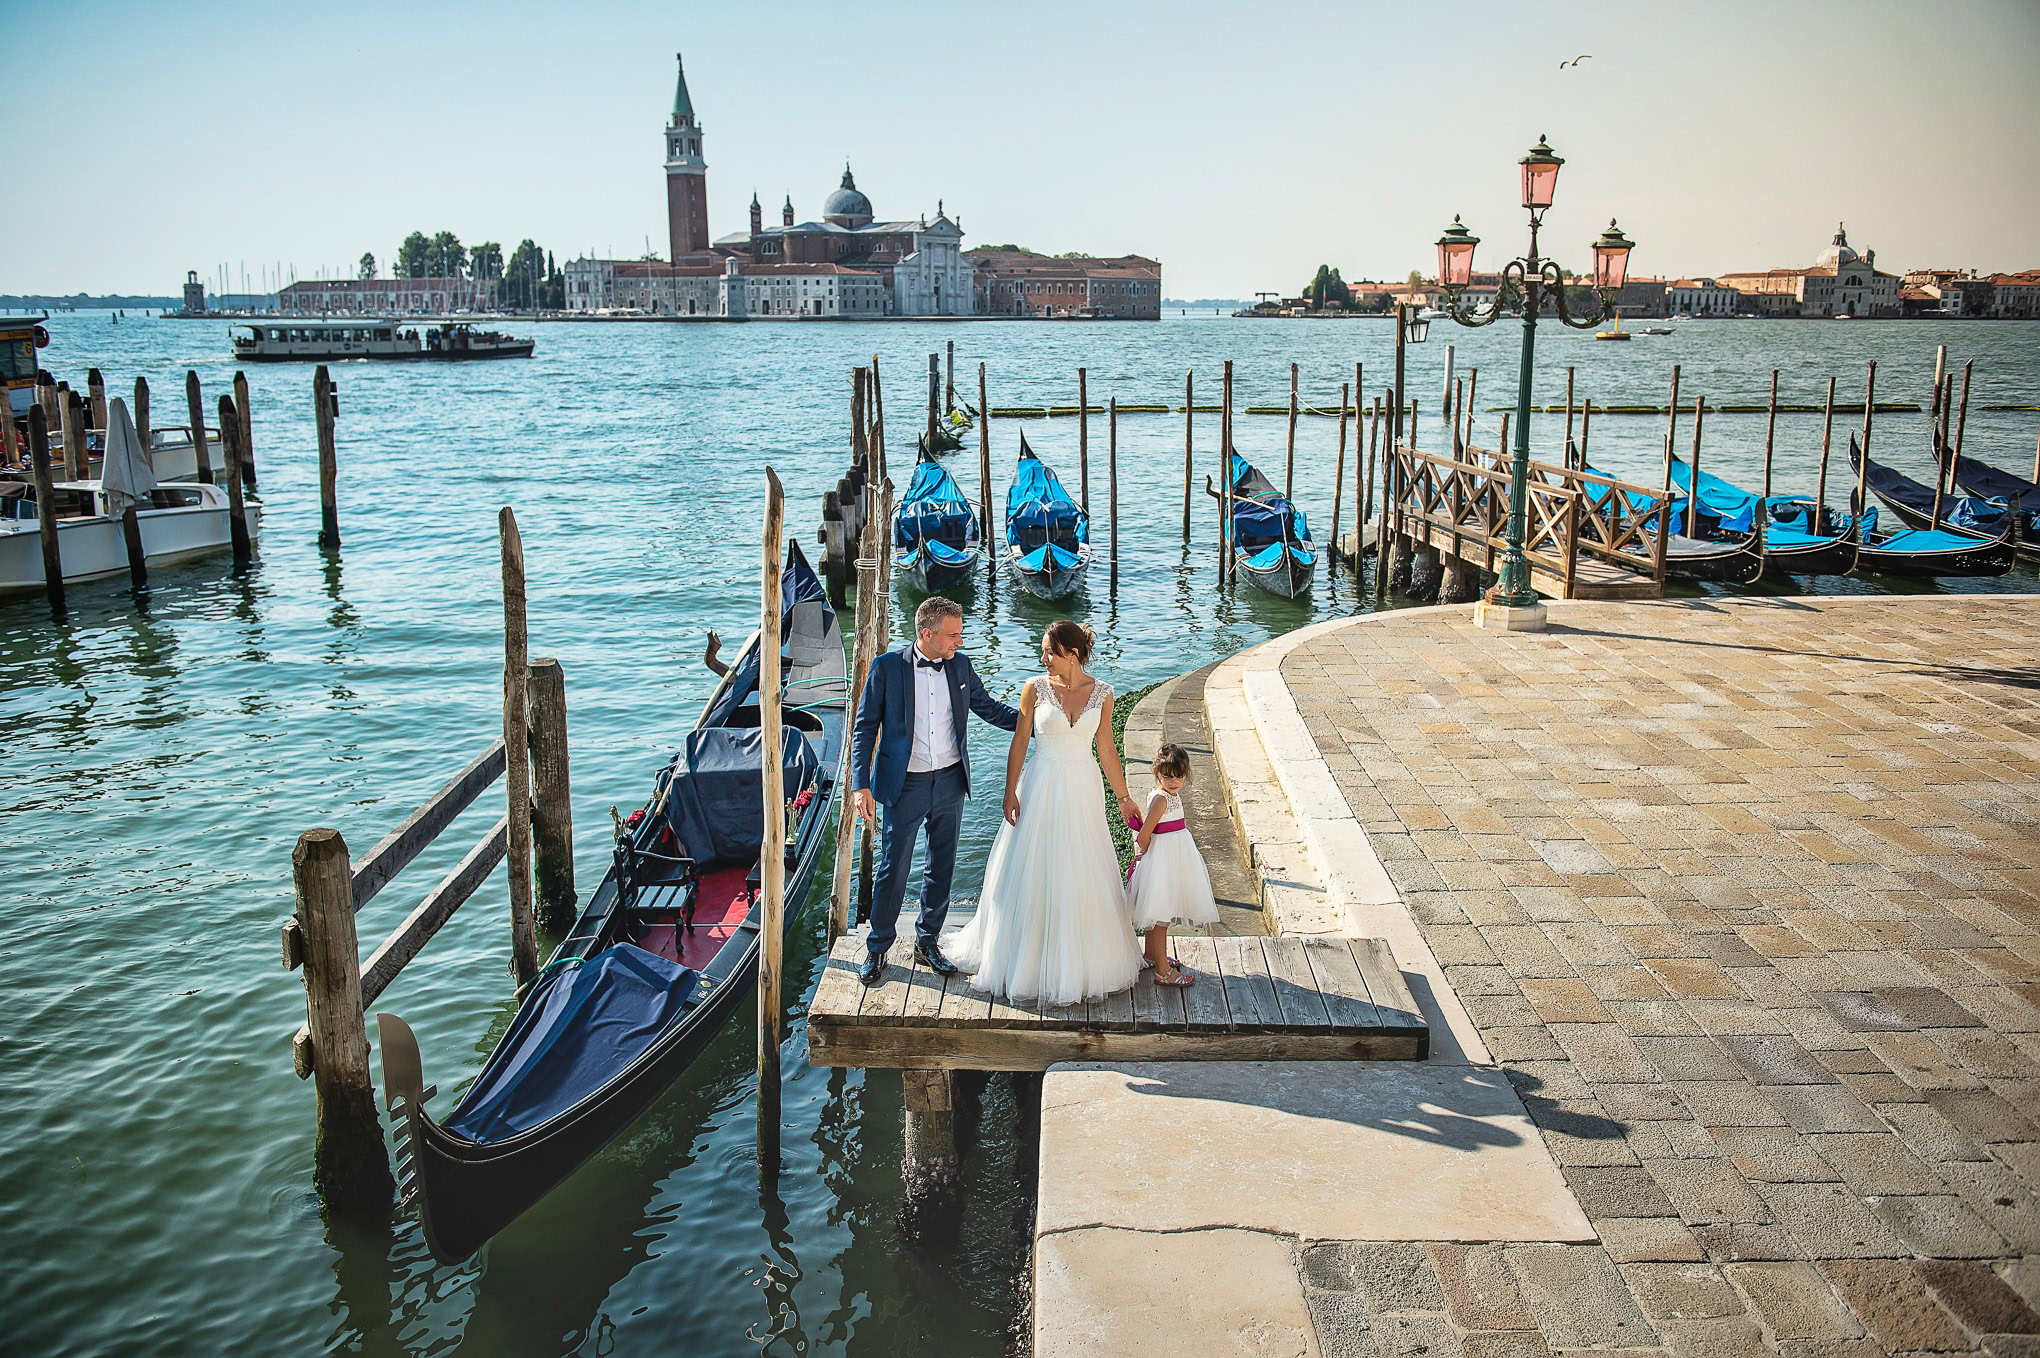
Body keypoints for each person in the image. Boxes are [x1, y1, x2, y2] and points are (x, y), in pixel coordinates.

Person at [945, 621, 1144, 1005]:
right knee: (1033, 869)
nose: (1042, 659)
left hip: (1082, 788)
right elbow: (1021, 741)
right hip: (1039, 785)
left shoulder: (1103, 694)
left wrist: (1124, 798)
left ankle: (1080, 963)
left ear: (1072, 655)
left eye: (1049, 652)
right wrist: (1009, 791)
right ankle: (1026, 959)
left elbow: (1106, 750)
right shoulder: (1034, 689)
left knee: (1081, 869)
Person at [849, 596, 1018, 986]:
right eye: (953, 634)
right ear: (927, 633)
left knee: (942, 865)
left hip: (950, 783)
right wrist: (860, 784)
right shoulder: (887, 668)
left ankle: (928, 942)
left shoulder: (960, 665)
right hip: (903, 784)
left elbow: (988, 707)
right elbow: (864, 728)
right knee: (894, 867)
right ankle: (878, 947)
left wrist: (1035, 717)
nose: (959, 641)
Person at [1126, 743, 1218, 986]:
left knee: (1156, 912)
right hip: (1163, 860)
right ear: (1157, 772)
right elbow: (1144, 834)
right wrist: (1144, 854)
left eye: (1178, 776)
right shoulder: (1161, 800)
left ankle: (1151, 955)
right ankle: (1163, 971)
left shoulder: (1170, 796)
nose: (1174, 781)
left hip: (1173, 857)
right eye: (1167, 776)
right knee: (1161, 916)